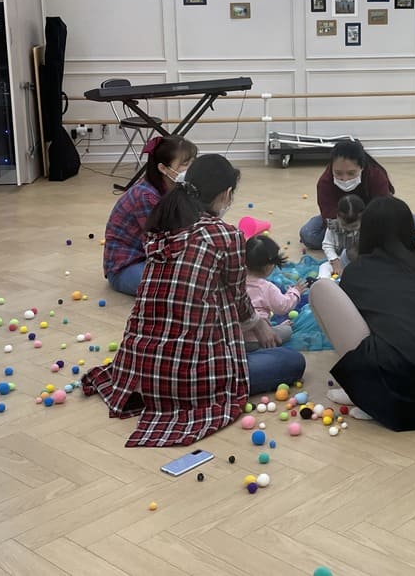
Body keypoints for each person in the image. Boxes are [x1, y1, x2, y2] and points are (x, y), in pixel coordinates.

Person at [82, 154, 306, 447]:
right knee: (292, 361)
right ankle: (231, 367)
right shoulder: (225, 235)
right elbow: (237, 298)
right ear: (226, 194)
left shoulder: (163, 224)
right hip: (188, 378)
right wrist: (259, 325)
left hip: (137, 368)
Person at [309, 196, 415, 430]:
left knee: (321, 289)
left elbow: (358, 324)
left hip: (396, 396)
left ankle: (363, 391)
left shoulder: (357, 270)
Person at [103, 136, 197, 296]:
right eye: (184, 164)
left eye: (192, 163)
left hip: (150, 257)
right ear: (163, 168)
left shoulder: (173, 187)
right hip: (125, 266)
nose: (190, 169)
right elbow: (163, 242)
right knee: (179, 288)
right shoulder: (146, 197)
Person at [300, 139, 415, 250]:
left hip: (371, 220)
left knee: (413, 222)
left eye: (351, 173)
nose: (345, 178)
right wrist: (344, 224)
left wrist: (363, 225)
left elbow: (382, 209)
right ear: (331, 167)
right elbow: (328, 213)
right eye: (338, 173)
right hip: (342, 221)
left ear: (362, 167)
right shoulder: (325, 182)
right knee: (308, 235)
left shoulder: (376, 176)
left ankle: (356, 241)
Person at [244, 234, 304, 350]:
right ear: (268, 267)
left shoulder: (236, 281)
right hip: (258, 340)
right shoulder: (266, 287)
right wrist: (295, 291)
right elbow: (283, 306)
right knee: (287, 330)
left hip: (235, 338)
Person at [320, 194, 364, 279]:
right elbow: (327, 245)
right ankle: (324, 282)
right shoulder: (333, 227)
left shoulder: (366, 229)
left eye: (354, 226)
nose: (349, 229)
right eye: (344, 225)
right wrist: (335, 261)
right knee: (324, 267)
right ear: (338, 217)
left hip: (359, 263)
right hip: (340, 261)